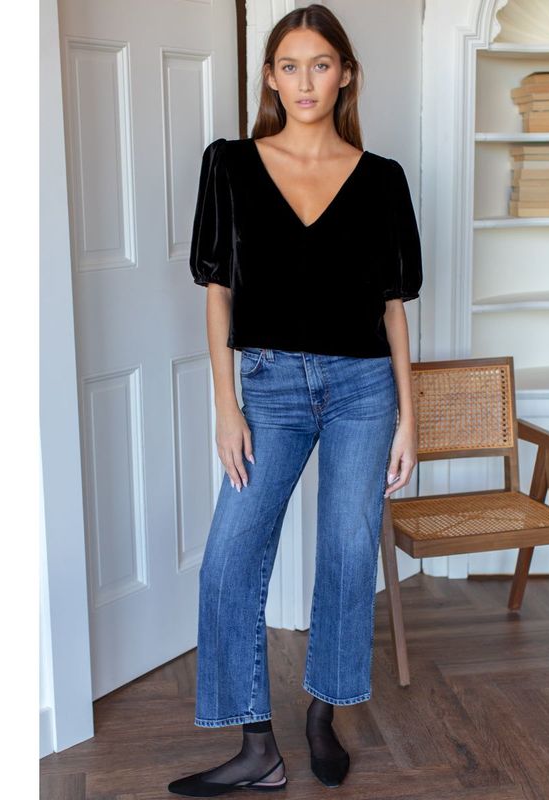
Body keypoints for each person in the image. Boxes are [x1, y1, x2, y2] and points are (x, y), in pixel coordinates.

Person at [167, 4, 422, 796]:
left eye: (320, 64)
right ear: (271, 79)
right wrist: (226, 405)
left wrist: (409, 418)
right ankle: (257, 748)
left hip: (363, 390)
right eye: (289, 65)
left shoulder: (382, 179)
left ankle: (323, 715)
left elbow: (392, 308)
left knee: (348, 554)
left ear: (345, 74)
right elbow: (218, 291)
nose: (305, 80)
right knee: (229, 559)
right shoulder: (231, 164)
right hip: (270, 388)